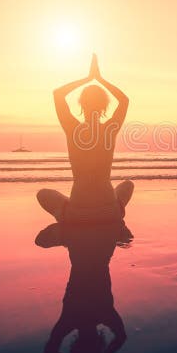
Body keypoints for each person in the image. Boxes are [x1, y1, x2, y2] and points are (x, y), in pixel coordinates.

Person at [35, 53, 134, 246]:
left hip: (77, 213)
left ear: (81, 104)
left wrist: (87, 79)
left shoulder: (73, 128)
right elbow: (124, 100)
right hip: (109, 213)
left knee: (43, 194)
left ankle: (65, 223)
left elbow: (58, 94)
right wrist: (101, 79)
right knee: (128, 185)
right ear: (105, 106)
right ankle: (113, 217)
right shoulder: (109, 129)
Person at [41, 221, 127, 353]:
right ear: (75, 348)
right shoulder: (72, 320)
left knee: (119, 232)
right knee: (120, 233)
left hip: (93, 233)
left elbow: (121, 338)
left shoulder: (104, 314)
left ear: (99, 344)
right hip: (87, 232)